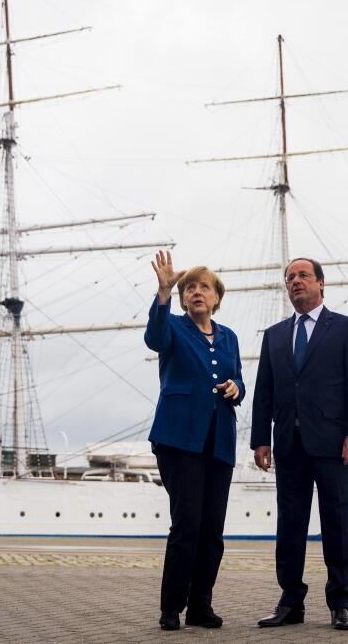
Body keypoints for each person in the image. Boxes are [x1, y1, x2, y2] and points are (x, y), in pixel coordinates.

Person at [251, 257, 348, 631]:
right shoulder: (274, 335)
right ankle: (290, 603)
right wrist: (260, 440)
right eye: (290, 278)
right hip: (288, 444)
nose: (295, 281)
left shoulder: (346, 328)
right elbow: (264, 391)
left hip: (334, 445)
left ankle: (341, 603)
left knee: (338, 523)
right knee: (289, 526)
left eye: (303, 275)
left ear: (321, 283)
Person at [144, 250, 245, 630]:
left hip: (219, 440)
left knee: (212, 529)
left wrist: (237, 387)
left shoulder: (230, 337)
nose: (196, 292)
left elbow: (238, 378)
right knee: (186, 522)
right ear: (183, 297)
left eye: (204, 287)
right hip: (178, 438)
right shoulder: (171, 326)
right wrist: (163, 293)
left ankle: (201, 605)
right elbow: (154, 339)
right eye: (190, 288)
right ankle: (171, 607)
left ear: (217, 297)